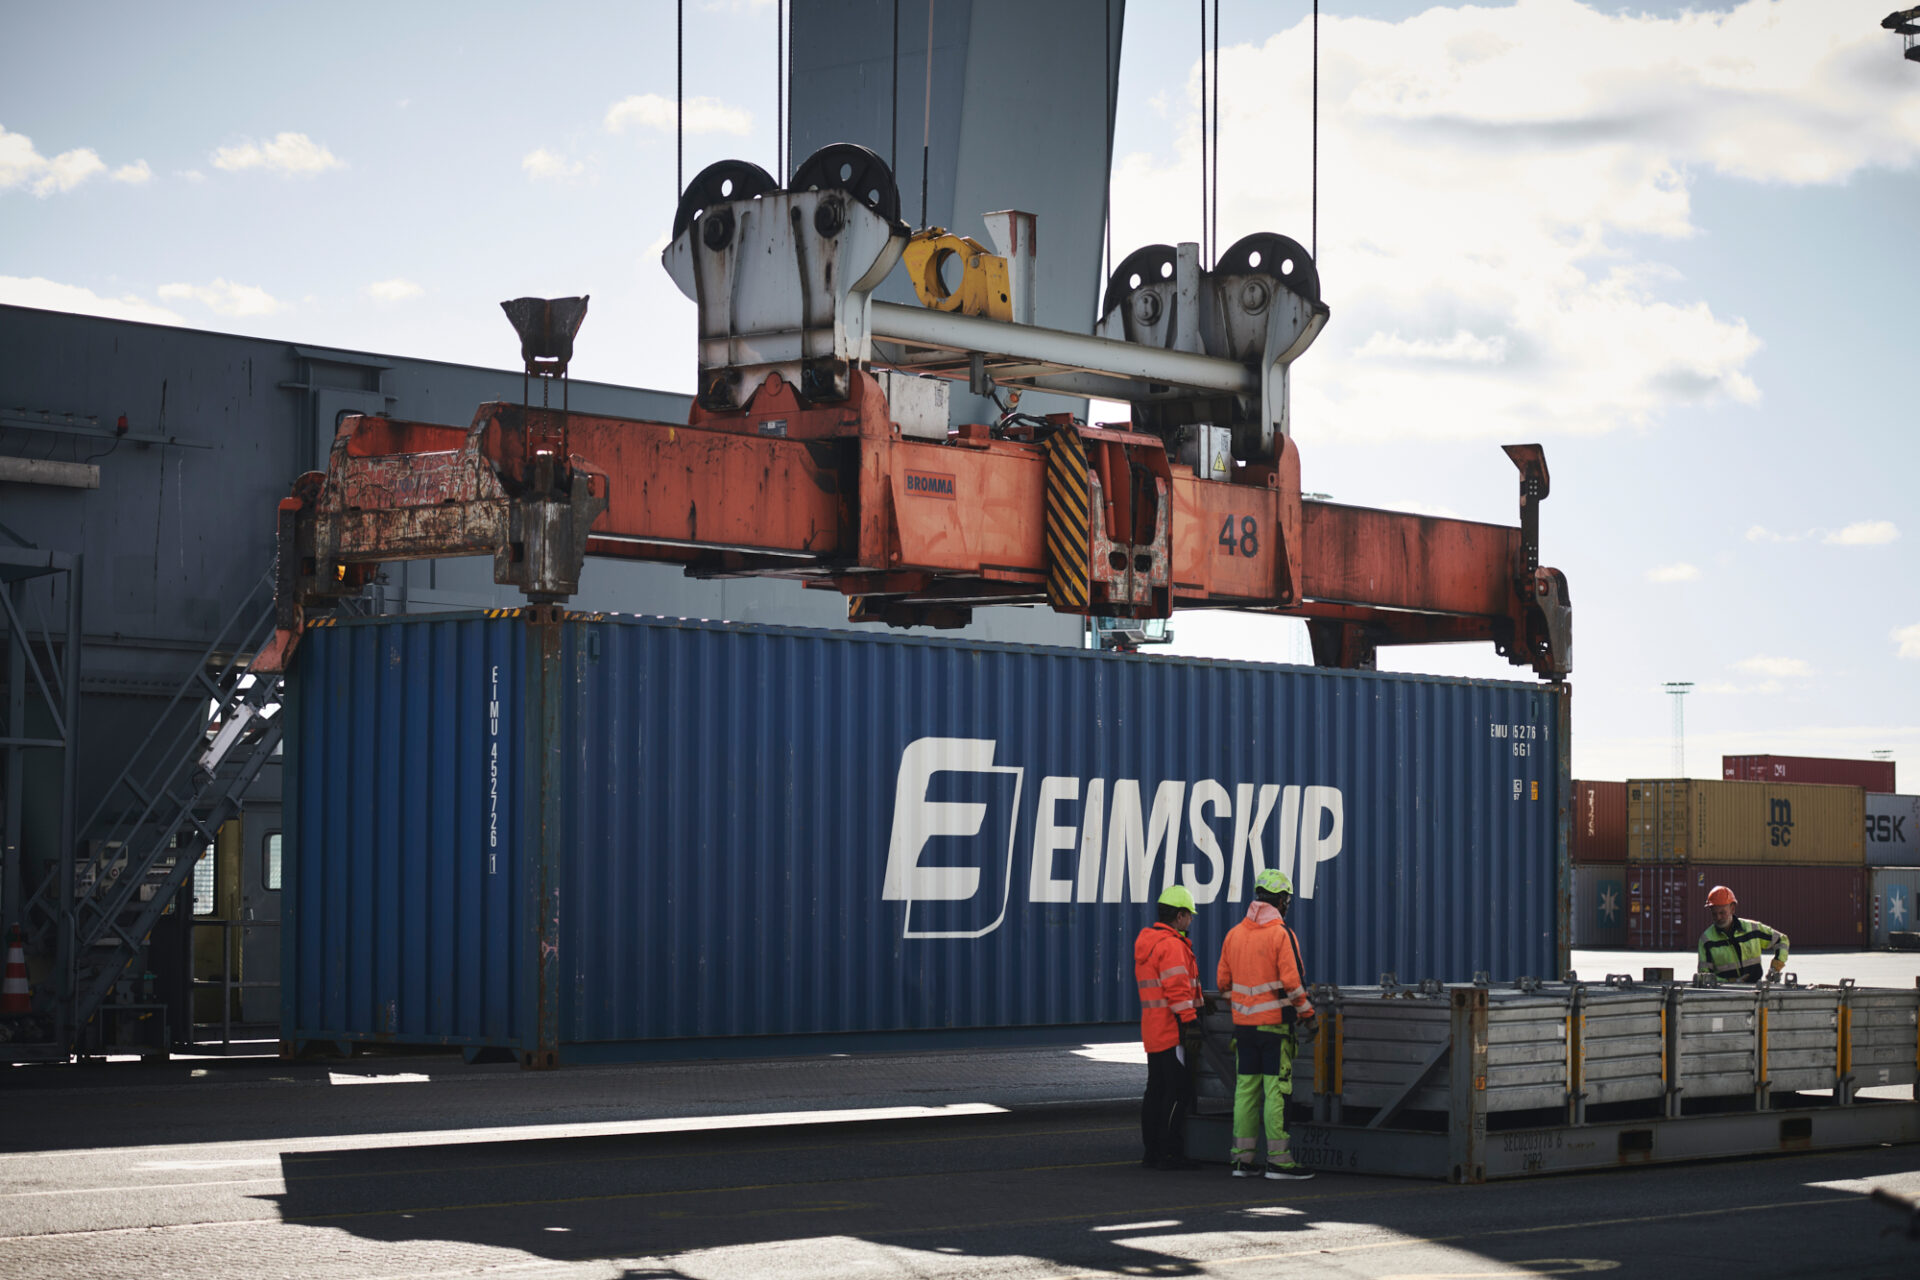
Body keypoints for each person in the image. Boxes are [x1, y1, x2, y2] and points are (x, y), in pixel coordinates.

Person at [1216, 868, 1315, 1180]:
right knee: (1276, 1092)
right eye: (1287, 899)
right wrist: (1309, 1016)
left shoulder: (1234, 934)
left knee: (1245, 1092)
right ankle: (1279, 1161)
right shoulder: (1280, 934)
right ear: (1281, 900)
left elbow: (1223, 984)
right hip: (1274, 1029)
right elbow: (1293, 985)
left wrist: (1245, 1008)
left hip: (1243, 1029)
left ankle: (1242, 1161)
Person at [1135, 883, 1202, 1171]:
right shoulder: (1172, 945)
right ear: (1180, 915)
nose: (1191, 921)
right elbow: (1177, 989)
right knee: (1178, 1092)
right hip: (1173, 1030)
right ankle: (1170, 1152)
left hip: (1153, 1029)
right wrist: (1191, 1021)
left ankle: (1152, 1152)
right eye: (1189, 916)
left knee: (1155, 1091)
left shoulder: (1148, 943)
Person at [1696, 885, 1790, 983]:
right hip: (1725, 990)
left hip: (1755, 988)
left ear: (1732, 908)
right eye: (1714, 914)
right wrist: (1731, 981)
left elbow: (1782, 940)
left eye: (1722, 913)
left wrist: (1775, 967)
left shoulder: (1753, 929)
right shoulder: (1706, 939)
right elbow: (1704, 976)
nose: (1718, 917)